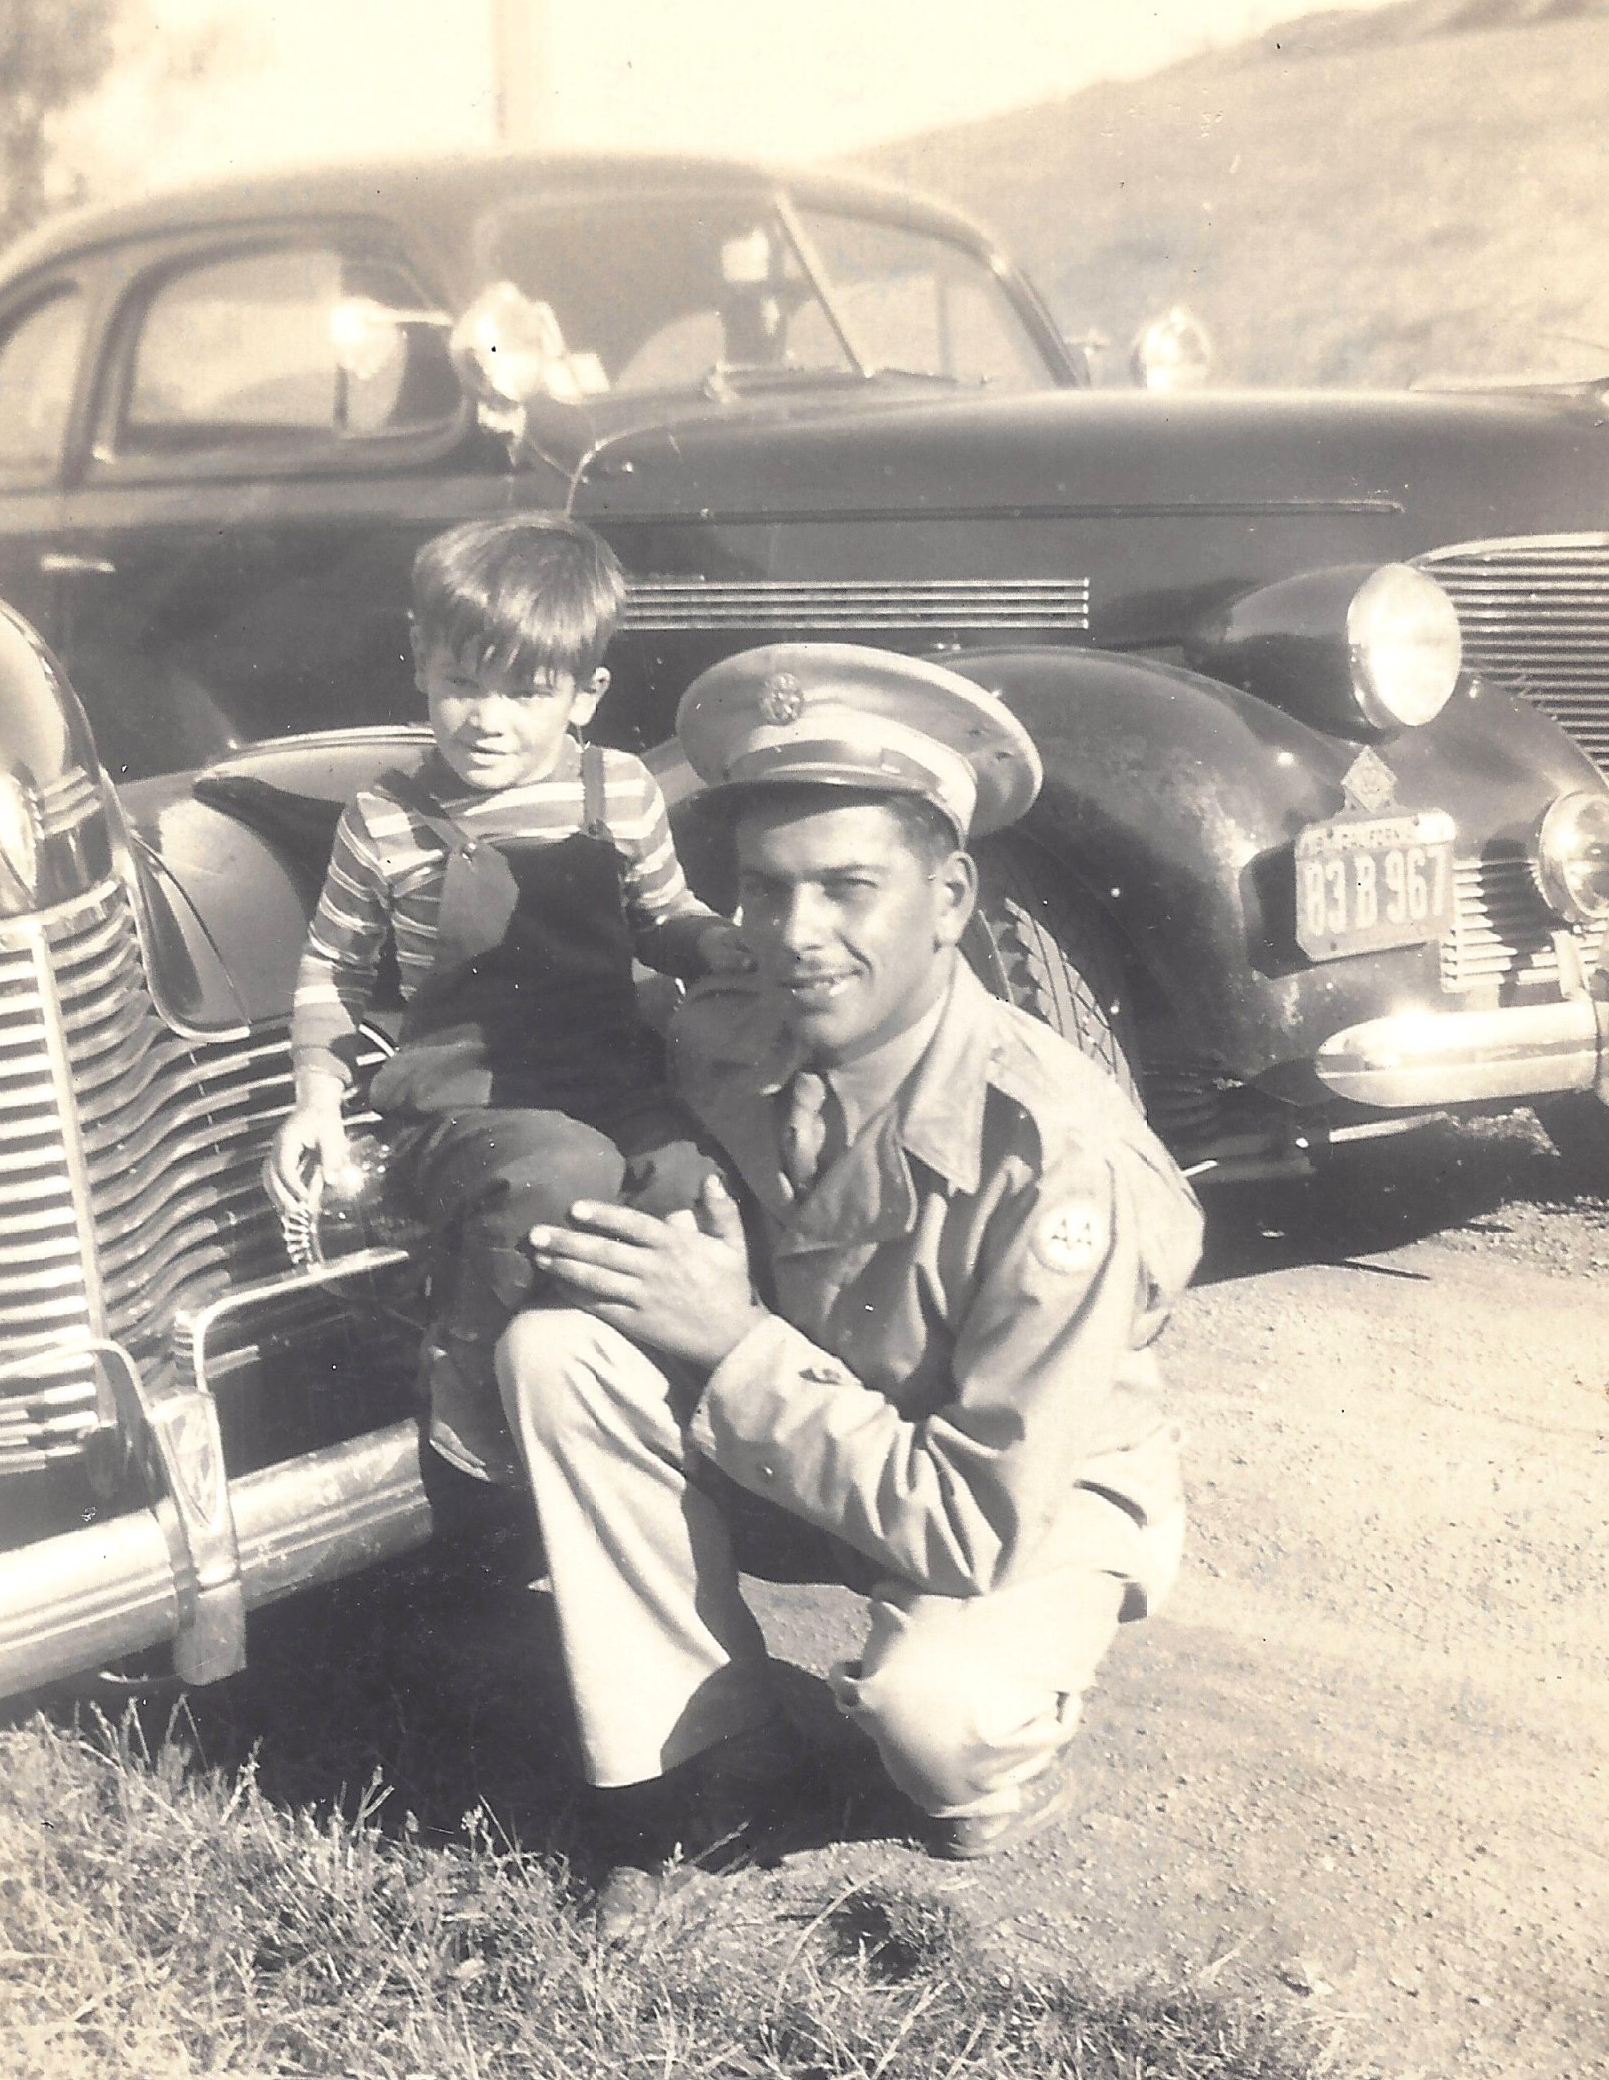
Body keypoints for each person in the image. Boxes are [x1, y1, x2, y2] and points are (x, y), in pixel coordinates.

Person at [505, 643, 1206, 1932]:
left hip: (1014, 1486)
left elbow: (976, 1518)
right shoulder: (729, 1025)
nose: (796, 937)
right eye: (765, 891)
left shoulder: (1057, 1157)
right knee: (563, 1350)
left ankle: (1007, 1726)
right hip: (819, 1437)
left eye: (849, 888)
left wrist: (731, 1340)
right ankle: (708, 1759)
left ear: (950, 898)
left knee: (937, 1730)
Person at [269, 512, 744, 1480]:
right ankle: (470, 1369)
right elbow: (332, 972)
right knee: (555, 1168)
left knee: (692, 1178)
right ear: (419, 664)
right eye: (461, 684)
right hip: (463, 1109)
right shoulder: (388, 817)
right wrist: (315, 1100)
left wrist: (722, 943)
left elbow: (665, 913)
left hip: (610, 1079)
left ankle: (676, 1392)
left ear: (584, 695)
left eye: (525, 693)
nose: (487, 719)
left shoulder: (619, 792)